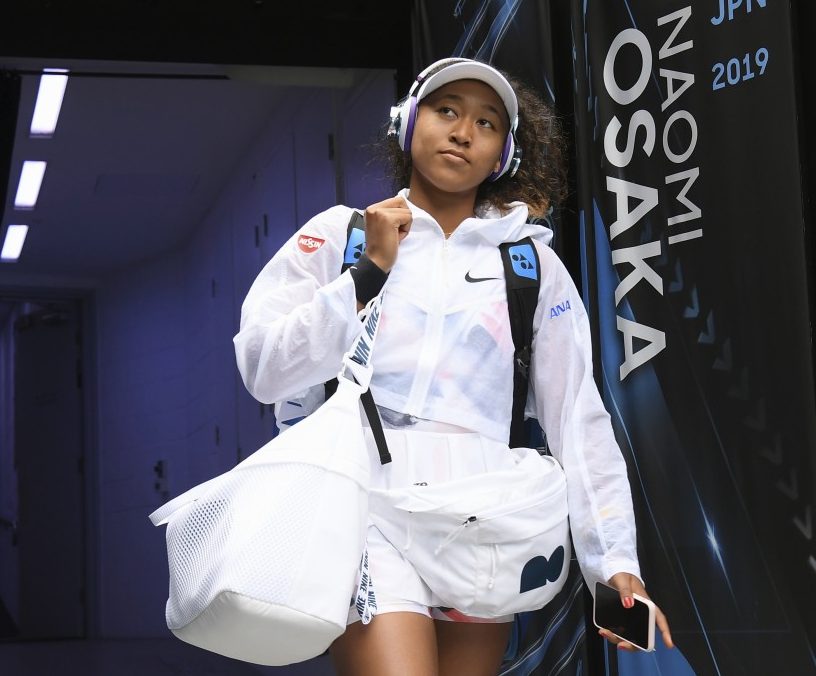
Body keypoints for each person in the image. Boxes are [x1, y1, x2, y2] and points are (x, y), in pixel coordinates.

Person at [233, 57, 674, 675]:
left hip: (485, 521)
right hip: (368, 510)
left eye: (487, 122)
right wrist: (364, 278)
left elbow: (578, 418)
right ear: (409, 122)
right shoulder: (341, 237)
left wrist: (615, 567)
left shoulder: (531, 267)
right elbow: (262, 368)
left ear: (504, 155)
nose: (463, 131)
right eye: (446, 110)